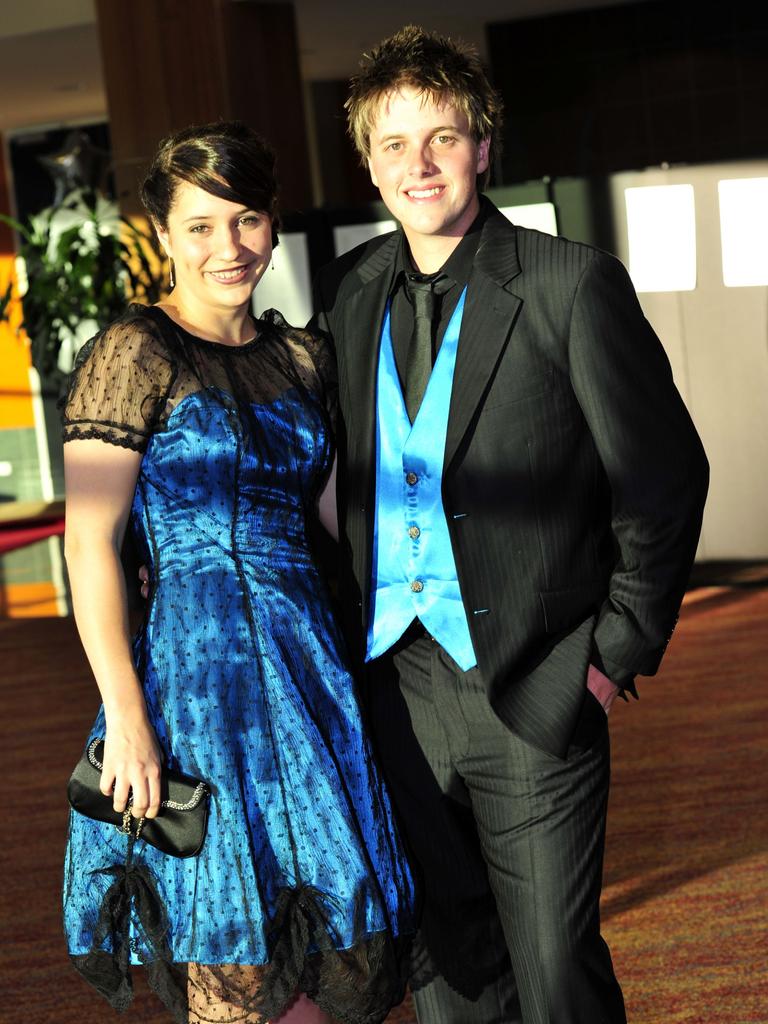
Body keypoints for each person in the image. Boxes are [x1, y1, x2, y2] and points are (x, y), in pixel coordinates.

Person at [310, 25, 709, 1024]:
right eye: (395, 144)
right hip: (396, 693)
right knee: (449, 969)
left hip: (534, 683)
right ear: (368, 161)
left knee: (556, 972)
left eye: (441, 137)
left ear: (483, 147)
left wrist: (612, 652)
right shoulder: (353, 292)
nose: (420, 164)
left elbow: (664, 480)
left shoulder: (570, 283)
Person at [61, 121, 416, 1024]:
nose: (229, 247)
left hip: (309, 677)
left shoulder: (302, 358)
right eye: (202, 226)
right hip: (194, 689)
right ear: (165, 236)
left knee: (322, 941)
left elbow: (346, 521)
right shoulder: (134, 353)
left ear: (273, 225)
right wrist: (129, 721)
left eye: (248, 220)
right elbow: (90, 543)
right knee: (230, 963)